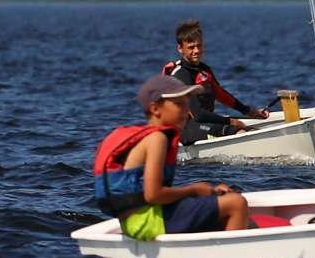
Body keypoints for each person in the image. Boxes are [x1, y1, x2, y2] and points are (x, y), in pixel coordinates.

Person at [91, 74, 250, 238]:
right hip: (149, 221)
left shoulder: (148, 137)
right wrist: (195, 190)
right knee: (236, 203)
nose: (185, 110)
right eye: (178, 104)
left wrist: (209, 192)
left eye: (186, 104)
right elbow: (153, 195)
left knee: (224, 211)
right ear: (155, 109)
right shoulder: (157, 138)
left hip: (133, 222)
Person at [164, 19, 268, 142]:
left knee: (249, 131)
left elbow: (220, 94)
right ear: (180, 49)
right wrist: (230, 121)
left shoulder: (203, 69)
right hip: (186, 129)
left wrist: (249, 111)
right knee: (239, 132)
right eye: (191, 47)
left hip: (201, 123)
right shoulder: (182, 74)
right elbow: (198, 114)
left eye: (199, 45)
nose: (196, 51)